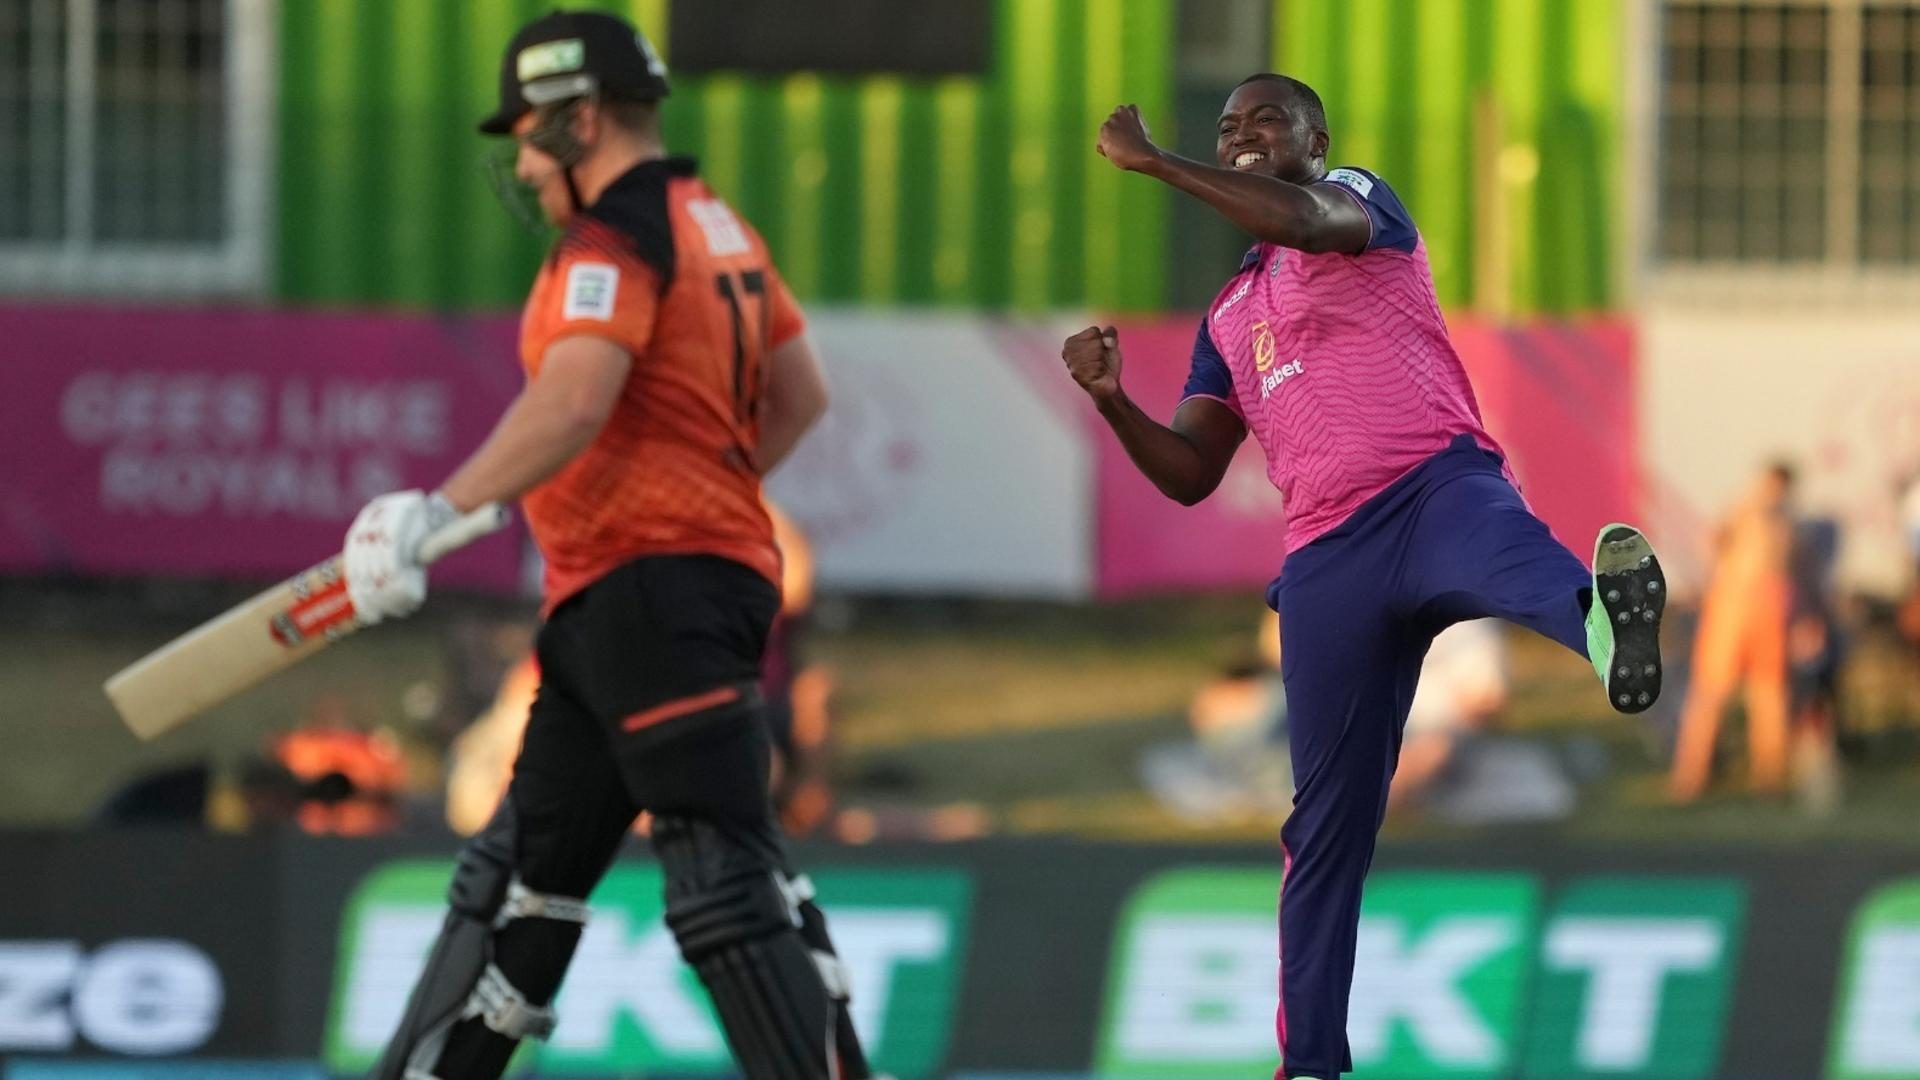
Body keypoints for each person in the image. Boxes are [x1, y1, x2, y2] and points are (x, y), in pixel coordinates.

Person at [1061, 74, 1666, 1080]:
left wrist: (1163, 162)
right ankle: (1309, 1065)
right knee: (1322, 830)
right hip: (1328, 558)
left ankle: (1606, 634)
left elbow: (1302, 218)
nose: (1242, 133)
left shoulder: (1357, 197)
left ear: (1317, 138)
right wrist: (1114, 401)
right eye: (1228, 124)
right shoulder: (1228, 314)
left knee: (1511, 552)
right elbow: (1192, 474)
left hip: (1433, 488)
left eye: (1266, 120)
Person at [339, 12, 883, 1079]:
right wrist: (711, 489)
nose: (524, 167)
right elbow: (800, 395)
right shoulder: (715, 224)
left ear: (580, 120)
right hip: (621, 601)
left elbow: (574, 399)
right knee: (517, 887)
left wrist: (436, 513)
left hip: (653, 595)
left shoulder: (613, 240)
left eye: (531, 139)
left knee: (726, 887)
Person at [1667, 462, 1795, 802]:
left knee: (1765, 694)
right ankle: (1692, 776)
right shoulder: (1748, 511)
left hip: (1759, 608)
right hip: (1735, 607)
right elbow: (1712, 544)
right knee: (1713, 694)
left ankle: (1768, 777)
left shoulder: (1778, 519)